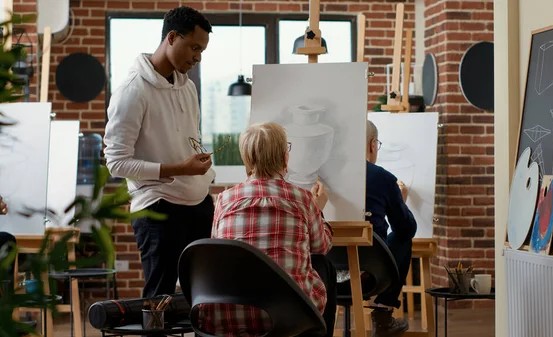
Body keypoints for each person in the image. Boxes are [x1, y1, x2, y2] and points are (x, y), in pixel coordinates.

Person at [103, 6, 215, 298]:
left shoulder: (187, 87)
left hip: (199, 204)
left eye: (202, 50)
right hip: (158, 208)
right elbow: (116, 163)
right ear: (172, 37)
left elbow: (192, 137)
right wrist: (179, 169)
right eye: (193, 47)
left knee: (205, 298)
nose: (197, 57)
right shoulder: (132, 90)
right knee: (159, 302)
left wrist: (204, 168)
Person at [199, 122, 337, 337]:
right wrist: (318, 210)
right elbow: (322, 245)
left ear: (246, 159)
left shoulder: (225, 199)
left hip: (229, 315)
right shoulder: (302, 198)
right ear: (285, 157)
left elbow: (219, 250)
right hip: (290, 316)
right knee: (323, 263)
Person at [365, 120, 418, 336]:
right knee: (402, 237)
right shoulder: (383, 178)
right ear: (372, 145)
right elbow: (406, 229)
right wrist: (401, 202)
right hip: (371, 274)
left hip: (329, 272)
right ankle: (383, 316)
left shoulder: (323, 177)